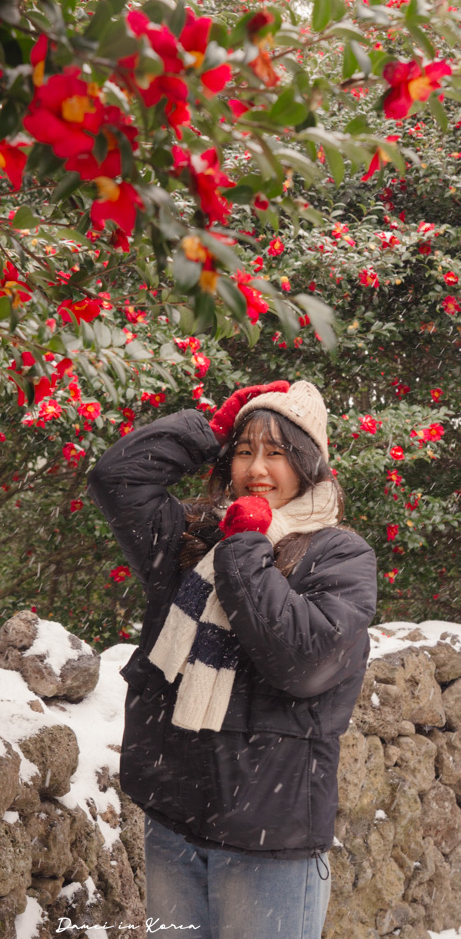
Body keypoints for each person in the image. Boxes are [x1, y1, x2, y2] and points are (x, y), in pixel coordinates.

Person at [87, 380, 377, 939]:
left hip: (268, 839)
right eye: (244, 450)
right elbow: (116, 479)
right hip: (175, 821)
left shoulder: (339, 554)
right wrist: (208, 430)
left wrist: (246, 547)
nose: (257, 467)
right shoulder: (196, 536)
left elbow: (301, 661)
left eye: (277, 452)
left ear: (310, 463)